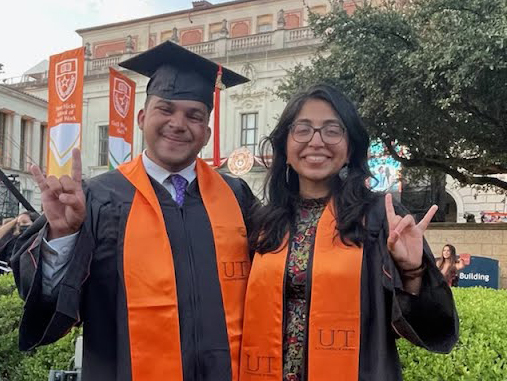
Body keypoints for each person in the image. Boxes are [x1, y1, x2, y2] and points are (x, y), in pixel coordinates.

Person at [11, 40, 255, 381]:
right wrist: (64, 236)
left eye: (194, 115)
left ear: (207, 132)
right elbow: (51, 301)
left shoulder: (237, 196)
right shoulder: (96, 197)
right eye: (166, 110)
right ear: (142, 118)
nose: (178, 123)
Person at [239, 84, 458, 381]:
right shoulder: (264, 223)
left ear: (350, 148)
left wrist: (414, 272)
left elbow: (430, 329)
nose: (316, 141)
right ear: (285, 147)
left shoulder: (381, 218)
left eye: (332, 130)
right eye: (303, 129)